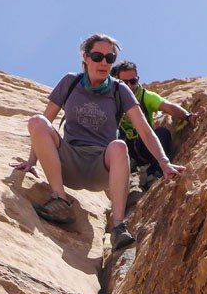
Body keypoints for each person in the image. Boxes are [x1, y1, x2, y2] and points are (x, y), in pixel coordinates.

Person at [11, 34, 185, 250]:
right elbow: (46, 121)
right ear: (85, 57)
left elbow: (145, 129)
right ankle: (60, 200)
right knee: (37, 121)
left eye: (109, 58)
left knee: (120, 146)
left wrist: (164, 162)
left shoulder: (120, 90)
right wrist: (31, 161)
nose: (104, 62)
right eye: (97, 56)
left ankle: (119, 227)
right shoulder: (70, 82)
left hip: (100, 167)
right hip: (69, 162)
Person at [111, 60, 196, 190]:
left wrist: (188, 116)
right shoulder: (112, 99)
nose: (129, 86)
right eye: (124, 83)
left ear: (137, 79)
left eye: (133, 81)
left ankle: (154, 174)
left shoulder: (145, 96)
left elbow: (168, 107)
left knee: (162, 132)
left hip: (145, 145)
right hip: (122, 147)